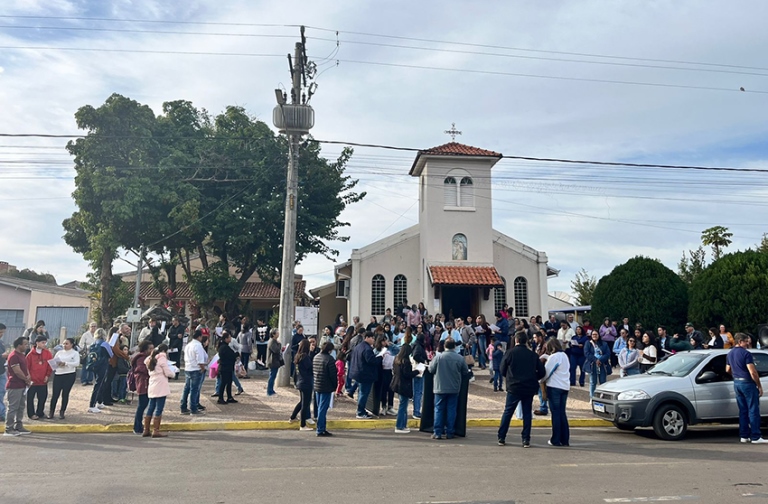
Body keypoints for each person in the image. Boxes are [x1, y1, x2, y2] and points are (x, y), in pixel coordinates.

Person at [497, 332, 546, 447]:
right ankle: (526, 439)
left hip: (514, 386)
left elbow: (502, 369)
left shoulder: (510, 353)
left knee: (508, 412)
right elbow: (542, 372)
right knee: (527, 413)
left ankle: (501, 437)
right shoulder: (532, 355)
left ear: (516, 341)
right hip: (528, 387)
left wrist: (509, 377)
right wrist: (534, 378)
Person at [726, 333, 766, 444]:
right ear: (740, 342)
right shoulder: (746, 354)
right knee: (753, 410)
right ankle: (756, 436)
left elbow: (727, 369)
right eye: (746, 341)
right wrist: (759, 385)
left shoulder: (730, 353)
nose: (748, 343)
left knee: (743, 410)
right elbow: (752, 372)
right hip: (747, 383)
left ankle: (744, 435)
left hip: (737, 382)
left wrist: (736, 374)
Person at [428, 338, 470, 440]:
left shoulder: (439, 357)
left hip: (439, 387)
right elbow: (465, 371)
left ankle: (437, 432)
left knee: (439, 409)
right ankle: (450, 432)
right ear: (454, 346)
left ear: (444, 346)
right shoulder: (459, 358)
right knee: (451, 409)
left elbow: (431, 369)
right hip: (454, 388)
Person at [542, 339, 571, 447]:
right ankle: (565, 439)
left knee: (555, 413)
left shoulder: (554, 357)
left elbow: (547, 373)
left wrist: (540, 381)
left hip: (554, 387)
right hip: (564, 386)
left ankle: (555, 439)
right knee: (562, 413)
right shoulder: (564, 356)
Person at [145, 344, 174, 438]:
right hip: (161, 385)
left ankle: (146, 429)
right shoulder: (162, 359)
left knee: (151, 407)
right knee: (159, 408)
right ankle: (156, 430)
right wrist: (173, 373)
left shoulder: (150, 359)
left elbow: (147, 362)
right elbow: (168, 372)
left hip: (152, 384)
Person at [4, 337, 32, 436]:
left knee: (20, 407)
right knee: (13, 407)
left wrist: (28, 377)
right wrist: (26, 378)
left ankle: (18, 426)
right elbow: (17, 371)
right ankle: (9, 428)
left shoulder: (22, 355)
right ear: (19, 345)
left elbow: (25, 368)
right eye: (25, 344)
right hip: (14, 385)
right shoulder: (14, 356)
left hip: (22, 385)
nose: (26, 346)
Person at [349, 331, 380, 419]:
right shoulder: (367, 349)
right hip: (365, 374)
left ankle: (361, 410)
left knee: (361, 393)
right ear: (367, 337)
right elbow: (371, 361)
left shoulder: (359, 346)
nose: (373, 340)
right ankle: (360, 412)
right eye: (372, 338)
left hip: (357, 372)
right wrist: (380, 357)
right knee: (364, 393)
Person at [391, 343, 420, 434]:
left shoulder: (397, 359)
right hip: (404, 385)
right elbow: (407, 374)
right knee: (403, 406)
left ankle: (403, 425)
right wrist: (416, 371)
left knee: (403, 404)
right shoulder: (406, 361)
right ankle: (399, 425)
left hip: (397, 383)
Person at [48, 337, 80, 419]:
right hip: (59, 374)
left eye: (67, 344)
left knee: (65, 394)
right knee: (55, 394)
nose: (65, 345)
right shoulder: (59, 352)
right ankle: (51, 412)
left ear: (71, 345)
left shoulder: (75, 353)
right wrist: (57, 364)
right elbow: (54, 362)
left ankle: (62, 412)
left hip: (69, 374)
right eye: (64, 343)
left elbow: (76, 363)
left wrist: (66, 363)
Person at [313, 341, 337, 437]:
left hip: (317, 385)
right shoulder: (330, 359)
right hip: (326, 386)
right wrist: (335, 386)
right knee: (323, 409)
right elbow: (333, 375)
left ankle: (321, 428)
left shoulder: (316, 357)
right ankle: (320, 429)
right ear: (330, 350)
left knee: (320, 407)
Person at [180, 329, 207, 415]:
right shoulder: (198, 345)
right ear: (199, 337)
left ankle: (183, 406)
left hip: (188, 368)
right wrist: (202, 368)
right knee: (194, 390)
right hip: (195, 369)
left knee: (187, 389)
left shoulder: (189, 345)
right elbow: (200, 360)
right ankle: (193, 408)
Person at [26, 335, 53, 420]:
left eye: (45, 343)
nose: (44, 344)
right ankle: (31, 414)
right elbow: (27, 367)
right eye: (42, 342)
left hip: (43, 380)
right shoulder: (30, 355)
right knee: (30, 398)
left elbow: (50, 365)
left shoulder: (47, 353)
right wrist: (28, 378)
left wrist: (47, 375)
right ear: (37, 343)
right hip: (32, 381)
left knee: (42, 398)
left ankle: (40, 412)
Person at [290, 339, 314, 430]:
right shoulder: (305, 357)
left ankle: (292, 417)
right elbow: (310, 369)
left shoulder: (298, 356)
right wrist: (311, 354)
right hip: (306, 382)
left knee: (302, 402)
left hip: (300, 381)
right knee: (305, 404)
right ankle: (302, 425)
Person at [131, 340, 153, 435]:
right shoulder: (141, 358)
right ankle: (137, 427)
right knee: (141, 406)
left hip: (146, 384)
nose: (152, 350)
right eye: (150, 348)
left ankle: (140, 426)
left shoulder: (147, 357)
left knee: (143, 405)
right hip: (142, 384)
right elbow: (141, 369)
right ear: (145, 349)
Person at [585, 330, 610, 399]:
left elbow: (607, 353)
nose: (594, 336)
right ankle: (592, 397)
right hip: (592, 364)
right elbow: (587, 353)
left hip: (602, 364)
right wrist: (595, 360)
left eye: (596, 334)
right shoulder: (588, 343)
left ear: (599, 335)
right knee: (593, 382)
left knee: (603, 382)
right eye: (593, 334)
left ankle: (603, 396)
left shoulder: (604, 344)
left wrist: (600, 360)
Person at [216, 331, 238, 405]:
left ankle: (229, 397)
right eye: (229, 337)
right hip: (224, 367)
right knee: (223, 383)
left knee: (229, 382)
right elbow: (230, 356)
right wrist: (236, 354)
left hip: (228, 367)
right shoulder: (224, 347)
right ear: (225, 339)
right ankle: (220, 398)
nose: (230, 339)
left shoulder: (226, 346)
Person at [375, 335, 395, 415]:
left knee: (391, 389)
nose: (385, 342)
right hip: (381, 371)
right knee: (383, 390)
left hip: (389, 370)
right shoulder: (377, 350)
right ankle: (383, 406)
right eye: (383, 341)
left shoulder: (390, 350)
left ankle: (390, 406)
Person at [266, 328, 282, 396]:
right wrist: (279, 345)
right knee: (272, 376)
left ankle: (271, 389)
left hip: (274, 361)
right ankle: (269, 391)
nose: (278, 334)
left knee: (273, 376)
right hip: (272, 361)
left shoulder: (274, 341)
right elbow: (276, 350)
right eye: (277, 333)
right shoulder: (272, 341)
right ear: (273, 334)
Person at [0, 323, 7, 422]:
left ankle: (1, 414)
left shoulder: (1, 343)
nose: (1, 334)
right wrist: (2, 356)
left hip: (2, 371)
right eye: (0, 332)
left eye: (3, 332)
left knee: (2, 392)